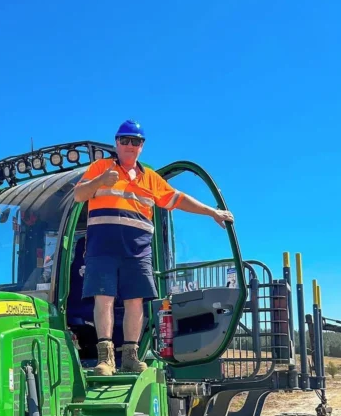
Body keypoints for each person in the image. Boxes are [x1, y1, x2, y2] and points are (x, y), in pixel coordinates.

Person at [73, 119, 234, 376]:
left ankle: (130, 357)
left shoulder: (151, 178)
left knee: (135, 302)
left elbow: (178, 199)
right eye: (124, 140)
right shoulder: (101, 167)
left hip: (137, 251)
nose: (129, 145)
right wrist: (100, 180)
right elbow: (79, 195)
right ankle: (106, 360)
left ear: (142, 146)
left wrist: (211, 211)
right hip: (103, 248)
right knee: (104, 299)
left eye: (135, 141)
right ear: (116, 143)